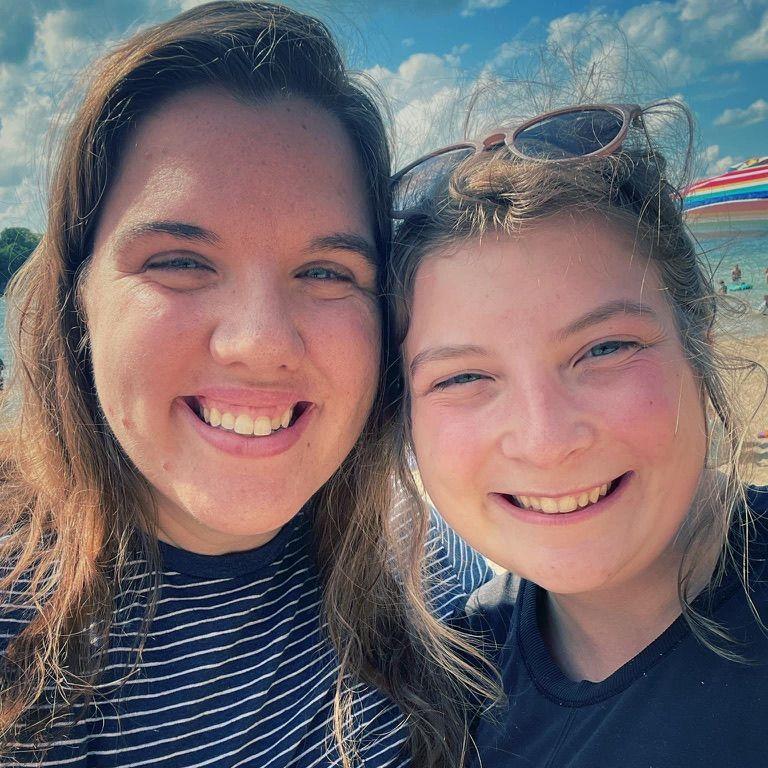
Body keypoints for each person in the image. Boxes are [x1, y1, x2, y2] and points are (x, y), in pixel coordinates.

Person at [0, 3, 494, 766]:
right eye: (179, 262)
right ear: (78, 298)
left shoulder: (428, 566)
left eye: (325, 271)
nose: (261, 342)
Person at [388, 102, 768, 766]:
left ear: (699, 349)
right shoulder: (457, 681)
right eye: (463, 377)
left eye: (604, 349)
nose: (546, 440)